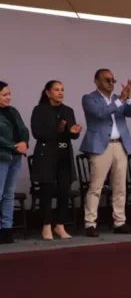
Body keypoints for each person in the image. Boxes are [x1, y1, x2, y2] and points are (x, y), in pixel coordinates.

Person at [80, 69, 131, 237]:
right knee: (96, 187)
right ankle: (90, 223)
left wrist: (129, 97)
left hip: (120, 145)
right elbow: (100, 113)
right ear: (96, 81)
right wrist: (120, 100)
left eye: (113, 80)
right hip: (100, 146)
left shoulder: (116, 100)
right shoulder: (89, 98)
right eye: (107, 80)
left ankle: (119, 221)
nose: (111, 83)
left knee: (120, 187)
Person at [30, 80, 81, 240]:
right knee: (47, 189)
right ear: (48, 93)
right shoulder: (40, 110)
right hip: (47, 155)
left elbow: (72, 134)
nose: (60, 93)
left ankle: (60, 225)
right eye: (56, 90)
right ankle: (46, 226)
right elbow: (37, 133)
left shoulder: (68, 110)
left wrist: (73, 132)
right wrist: (57, 130)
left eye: (62, 90)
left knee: (64, 191)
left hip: (64, 154)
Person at [0, 82, 28, 244]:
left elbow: (23, 129)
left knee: (9, 194)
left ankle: (7, 229)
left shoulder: (13, 111)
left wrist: (24, 142)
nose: (8, 97)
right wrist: (14, 146)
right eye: (4, 95)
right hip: (2, 156)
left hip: (15, 157)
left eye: (9, 94)